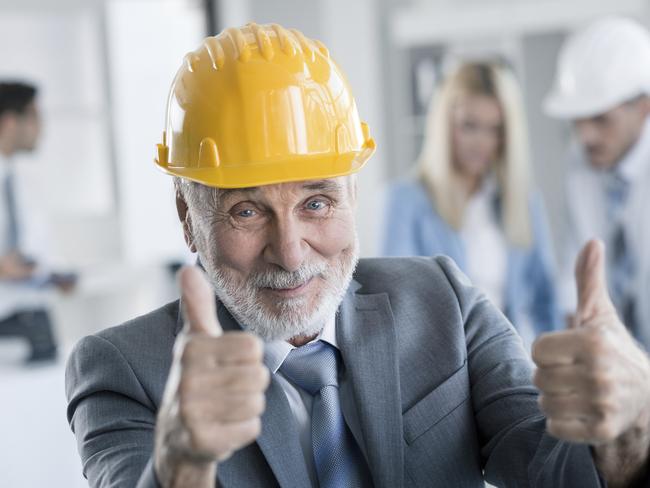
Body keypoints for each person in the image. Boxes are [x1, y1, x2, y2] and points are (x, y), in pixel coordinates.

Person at [66, 23, 650, 487]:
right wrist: (182, 463)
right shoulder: (121, 369)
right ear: (187, 219)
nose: (291, 253)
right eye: (246, 211)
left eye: (316, 202)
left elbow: (556, 468)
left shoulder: (444, 300)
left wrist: (632, 423)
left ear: (352, 195)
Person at [382, 62, 559, 346]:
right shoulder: (406, 201)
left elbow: (545, 300)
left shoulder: (524, 201)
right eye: (469, 126)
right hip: (443, 364)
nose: (482, 142)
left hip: (517, 362)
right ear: (445, 124)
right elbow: (398, 303)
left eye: (495, 129)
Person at [544, 17, 650, 348]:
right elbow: (573, 273)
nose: (585, 135)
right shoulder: (580, 164)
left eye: (600, 119)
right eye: (577, 121)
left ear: (644, 108)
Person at [0, 82, 76, 363]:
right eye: (35, 117)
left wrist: (56, 273)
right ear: (10, 121)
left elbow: (33, 249)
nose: (42, 128)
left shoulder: (20, 183)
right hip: (9, 328)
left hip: (36, 324)